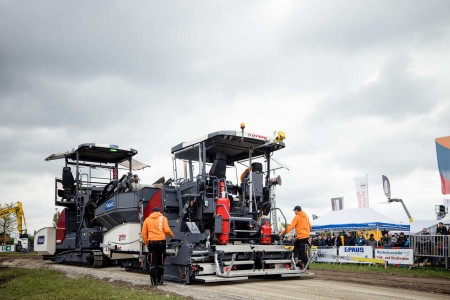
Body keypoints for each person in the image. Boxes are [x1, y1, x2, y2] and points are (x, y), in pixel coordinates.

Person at [141, 207, 174, 286]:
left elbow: (143, 233)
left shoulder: (147, 220)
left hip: (152, 243)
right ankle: (160, 280)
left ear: (152, 212)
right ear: (159, 212)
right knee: (161, 262)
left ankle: (153, 282)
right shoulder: (163, 218)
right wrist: (172, 235)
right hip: (161, 243)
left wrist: (146, 242)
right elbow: (166, 230)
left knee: (153, 263)